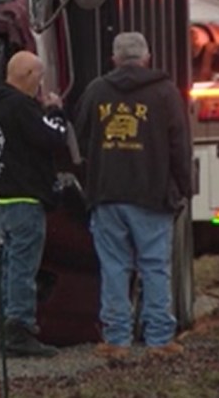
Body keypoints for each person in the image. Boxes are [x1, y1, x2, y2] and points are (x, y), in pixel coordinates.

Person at [74, 32, 192, 359]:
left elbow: (80, 140)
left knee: (114, 267)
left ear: (114, 59)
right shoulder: (165, 93)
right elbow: (179, 146)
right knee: (155, 267)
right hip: (152, 194)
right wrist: (185, 187)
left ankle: (117, 340)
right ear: (147, 58)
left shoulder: (96, 91)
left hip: (107, 194)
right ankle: (159, 340)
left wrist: (92, 177)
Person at [0, 50, 68, 358]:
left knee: (9, 266)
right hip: (25, 197)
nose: (40, 86)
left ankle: (6, 328)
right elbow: (53, 139)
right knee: (23, 267)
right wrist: (55, 112)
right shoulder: (20, 106)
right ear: (29, 76)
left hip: (2, 196)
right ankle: (20, 329)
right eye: (39, 78)